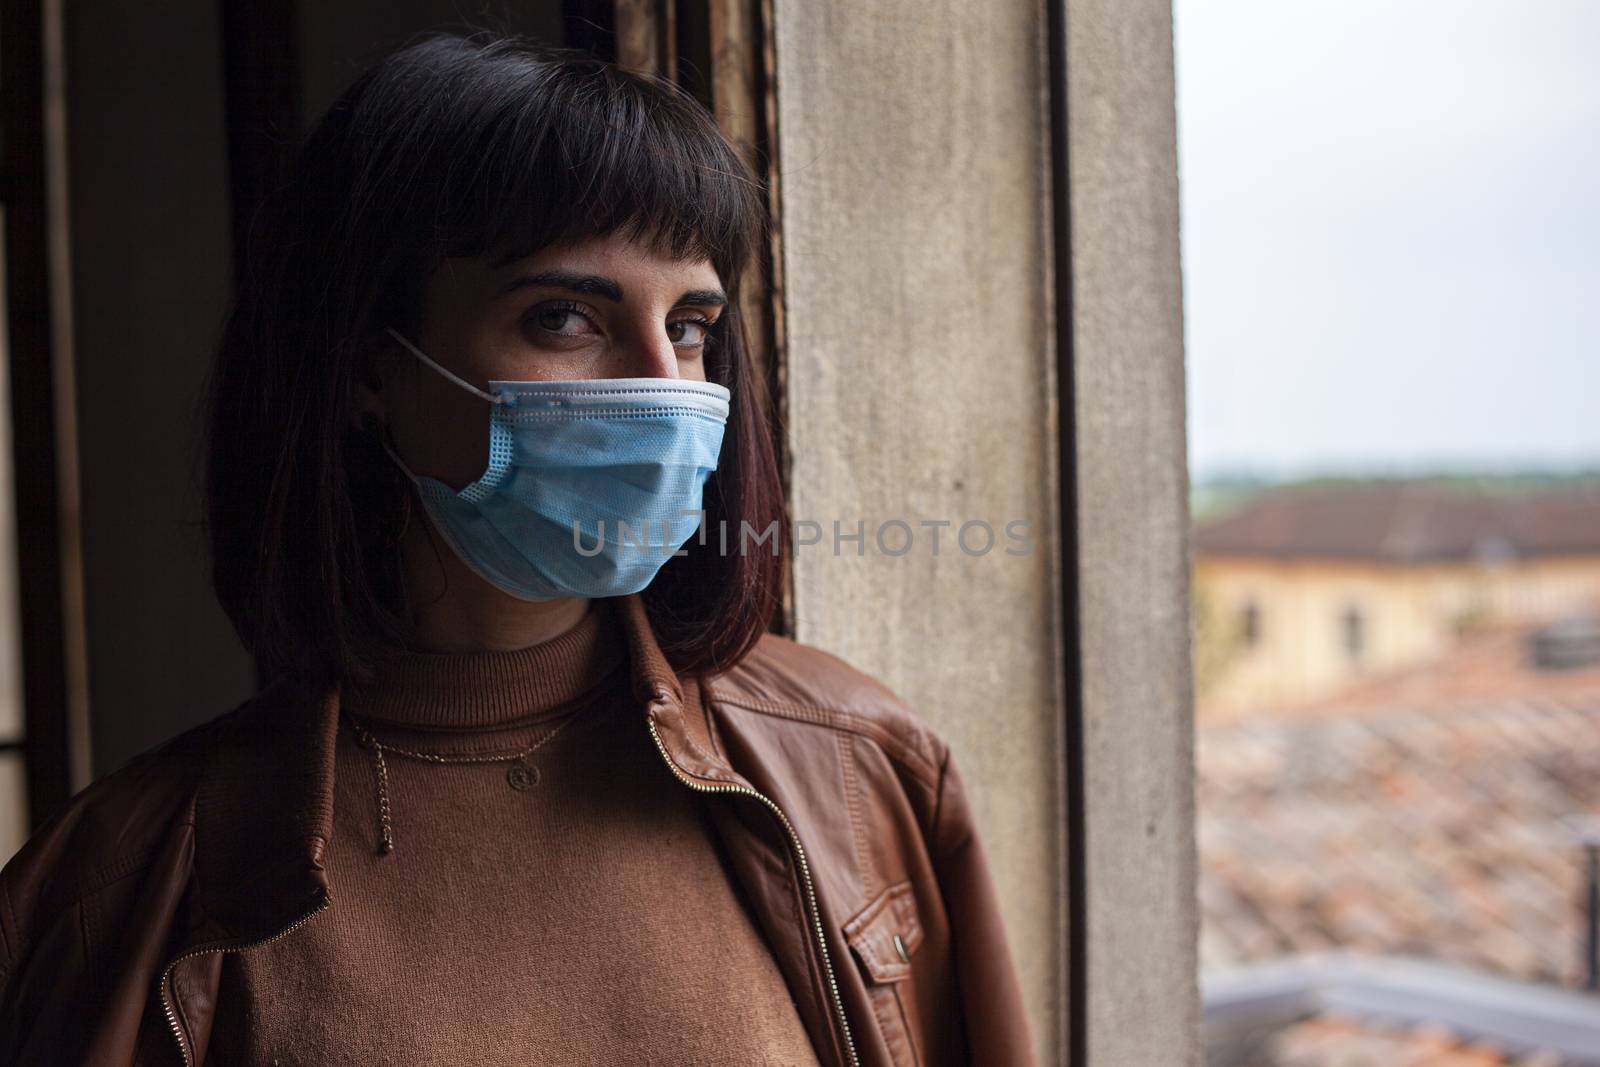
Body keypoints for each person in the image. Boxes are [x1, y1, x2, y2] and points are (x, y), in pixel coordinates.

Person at [0, 34, 1035, 1067]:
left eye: (689, 325)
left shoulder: (860, 770)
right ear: (369, 366)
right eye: (563, 316)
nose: (659, 386)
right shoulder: (117, 886)